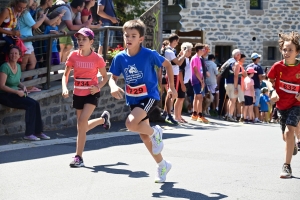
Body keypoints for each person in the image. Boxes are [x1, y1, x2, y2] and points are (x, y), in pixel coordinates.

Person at [108, 19, 177, 183]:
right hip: (133, 98)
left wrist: (171, 87)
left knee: (131, 124)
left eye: (133, 35)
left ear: (141, 39)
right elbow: (113, 77)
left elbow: (168, 65)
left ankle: (156, 132)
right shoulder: (120, 58)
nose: (129, 39)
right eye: (126, 36)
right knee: (144, 136)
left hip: (149, 96)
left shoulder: (149, 54)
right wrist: (112, 86)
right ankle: (162, 164)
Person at [62, 28, 111, 167]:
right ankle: (103, 119)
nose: (80, 42)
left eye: (84, 39)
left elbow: (105, 77)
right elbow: (65, 75)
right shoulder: (73, 56)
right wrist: (65, 87)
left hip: (91, 93)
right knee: (82, 126)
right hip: (78, 93)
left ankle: (78, 157)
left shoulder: (97, 58)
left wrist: (98, 86)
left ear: (91, 41)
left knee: (82, 122)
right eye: (79, 39)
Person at [267, 31, 300, 178]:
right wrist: (272, 91)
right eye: (284, 49)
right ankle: (292, 142)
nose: (286, 52)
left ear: (297, 52)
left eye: (290, 50)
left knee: (289, 131)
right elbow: (268, 80)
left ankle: (287, 167)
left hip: (296, 104)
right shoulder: (277, 66)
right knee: (285, 137)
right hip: (281, 105)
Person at [0, 46, 50, 141]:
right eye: (11, 53)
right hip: (5, 95)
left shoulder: (18, 66)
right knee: (30, 105)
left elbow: (16, 81)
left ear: (19, 55)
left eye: (16, 53)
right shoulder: (4, 67)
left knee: (35, 104)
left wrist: (23, 86)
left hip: (15, 93)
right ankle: (29, 134)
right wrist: (17, 92)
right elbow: (2, 86)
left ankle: (38, 132)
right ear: (8, 55)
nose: (13, 55)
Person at [18, 0, 47, 91]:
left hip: (28, 41)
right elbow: (35, 26)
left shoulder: (25, 12)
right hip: (24, 41)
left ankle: (28, 85)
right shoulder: (25, 13)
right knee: (22, 65)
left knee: (33, 62)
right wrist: (43, 18)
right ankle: (20, 85)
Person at [163, 33, 187, 125]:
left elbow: (175, 61)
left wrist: (180, 55)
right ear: (173, 41)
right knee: (172, 95)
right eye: (177, 41)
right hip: (173, 74)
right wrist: (184, 55)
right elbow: (178, 63)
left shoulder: (171, 51)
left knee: (170, 95)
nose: (177, 43)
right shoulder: (169, 51)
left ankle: (166, 113)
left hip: (173, 74)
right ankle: (168, 114)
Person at [190, 43, 209, 123]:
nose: (204, 51)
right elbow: (195, 70)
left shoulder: (199, 58)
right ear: (198, 50)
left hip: (199, 79)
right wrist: (201, 80)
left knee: (196, 97)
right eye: (202, 49)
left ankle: (195, 114)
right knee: (200, 97)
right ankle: (200, 115)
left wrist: (202, 80)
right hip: (196, 80)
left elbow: (201, 70)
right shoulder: (195, 58)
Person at [174, 42, 192, 123]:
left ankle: (179, 116)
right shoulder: (182, 59)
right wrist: (182, 84)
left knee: (181, 99)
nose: (190, 52)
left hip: (186, 81)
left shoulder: (187, 59)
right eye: (189, 50)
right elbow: (180, 72)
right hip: (182, 82)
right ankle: (176, 116)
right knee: (179, 99)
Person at [224, 49, 241, 122]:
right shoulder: (236, 64)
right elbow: (236, 76)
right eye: (240, 54)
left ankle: (227, 114)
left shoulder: (229, 61)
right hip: (232, 84)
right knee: (233, 100)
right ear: (237, 55)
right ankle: (230, 116)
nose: (240, 55)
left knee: (230, 100)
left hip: (227, 83)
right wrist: (236, 87)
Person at [246, 52, 264, 123]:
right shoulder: (258, 67)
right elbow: (260, 78)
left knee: (249, 103)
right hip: (256, 86)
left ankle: (248, 116)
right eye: (259, 58)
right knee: (256, 104)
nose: (259, 59)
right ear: (256, 59)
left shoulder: (248, 66)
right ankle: (256, 118)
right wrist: (264, 77)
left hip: (248, 87)